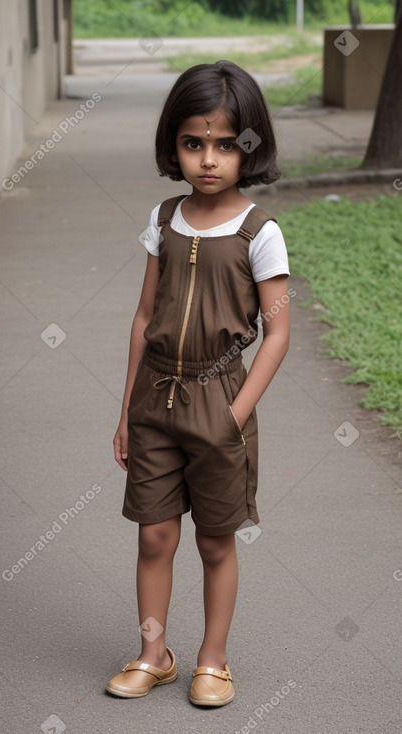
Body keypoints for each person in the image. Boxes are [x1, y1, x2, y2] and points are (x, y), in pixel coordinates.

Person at [106, 60, 291, 707]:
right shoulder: (163, 220)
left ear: (250, 147)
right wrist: (127, 410)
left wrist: (233, 414)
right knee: (153, 534)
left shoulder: (258, 232)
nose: (207, 160)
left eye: (224, 144)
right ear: (173, 145)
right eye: (192, 143)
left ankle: (212, 659)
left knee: (215, 541)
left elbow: (276, 333)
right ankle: (153, 653)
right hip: (155, 399)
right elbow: (142, 315)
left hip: (219, 401)